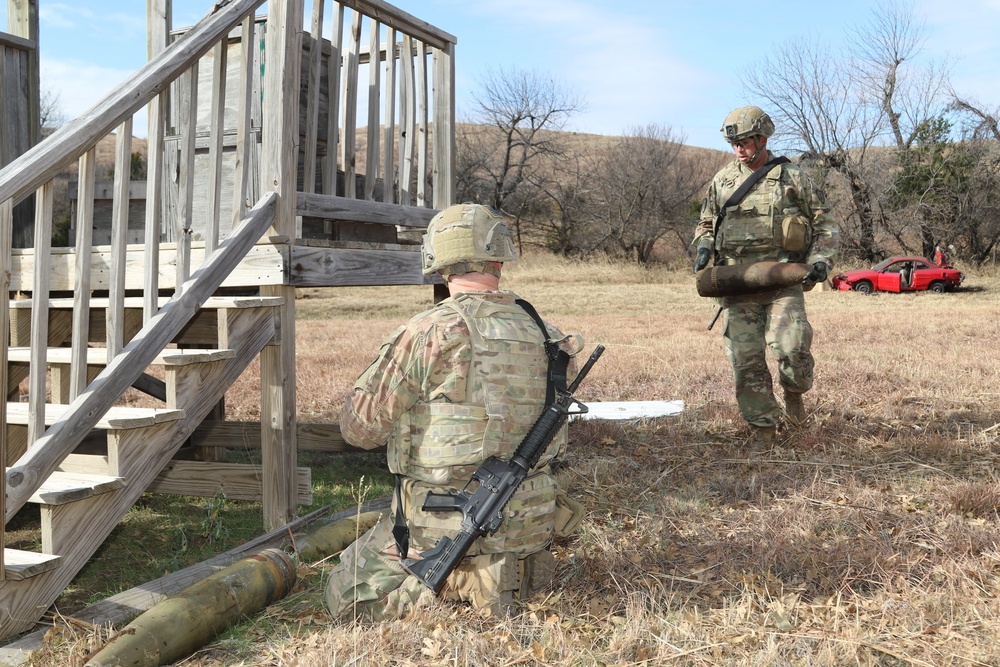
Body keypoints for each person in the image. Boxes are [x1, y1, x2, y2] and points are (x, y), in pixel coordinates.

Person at [325, 203, 586, 621]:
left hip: (445, 525)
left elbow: (360, 430)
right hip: (527, 527)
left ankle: (463, 580)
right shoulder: (550, 336)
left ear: (436, 260)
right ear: (499, 258)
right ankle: (500, 574)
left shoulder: (430, 331)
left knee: (345, 597)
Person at [692, 105, 838, 442]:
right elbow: (706, 222)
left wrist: (820, 261)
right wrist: (703, 245)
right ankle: (763, 428)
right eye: (734, 145)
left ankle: (794, 393)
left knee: (792, 349)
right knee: (746, 361)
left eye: (744, 142)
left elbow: (825, 224)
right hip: (738, 281)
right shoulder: (723, 180)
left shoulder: (793, 177)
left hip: (783, 279)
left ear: (762, 138)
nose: (738, 150)